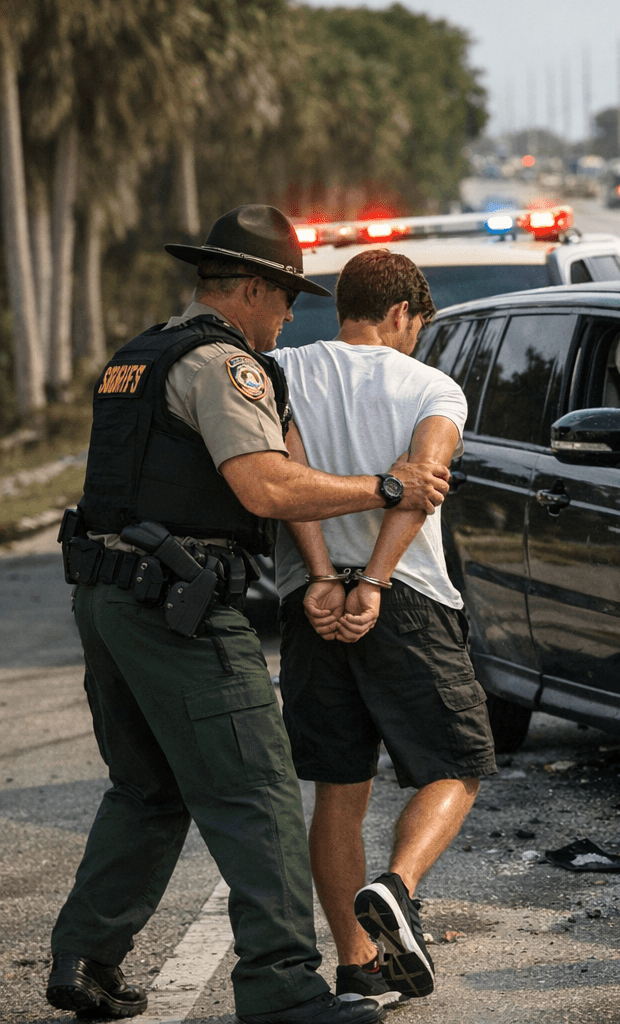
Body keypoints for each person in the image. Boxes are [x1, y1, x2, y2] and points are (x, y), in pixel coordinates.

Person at [50, 205, 450, 1024]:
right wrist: (384, 486)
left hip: (107, 598)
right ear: (253, 288)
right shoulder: (221, 364)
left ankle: (87, 958)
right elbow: (265, 486)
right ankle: (282, 989)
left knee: (148, 787)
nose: (289, 317)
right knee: (261, 793)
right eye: (285, 298)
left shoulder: (138, 354)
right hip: (178, 609)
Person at [270, 249, 495, 1004]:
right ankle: (398, 886)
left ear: (343, 306)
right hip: (406, 599)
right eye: (415, 327)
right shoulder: (431, 385)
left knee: (339, 789)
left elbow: (285, 467)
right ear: (402, 314)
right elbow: (422, 479)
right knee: (456, 764)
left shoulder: (283, 369)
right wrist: (373, 579)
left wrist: (325, 578)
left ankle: (357, 964)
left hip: (313, 603)